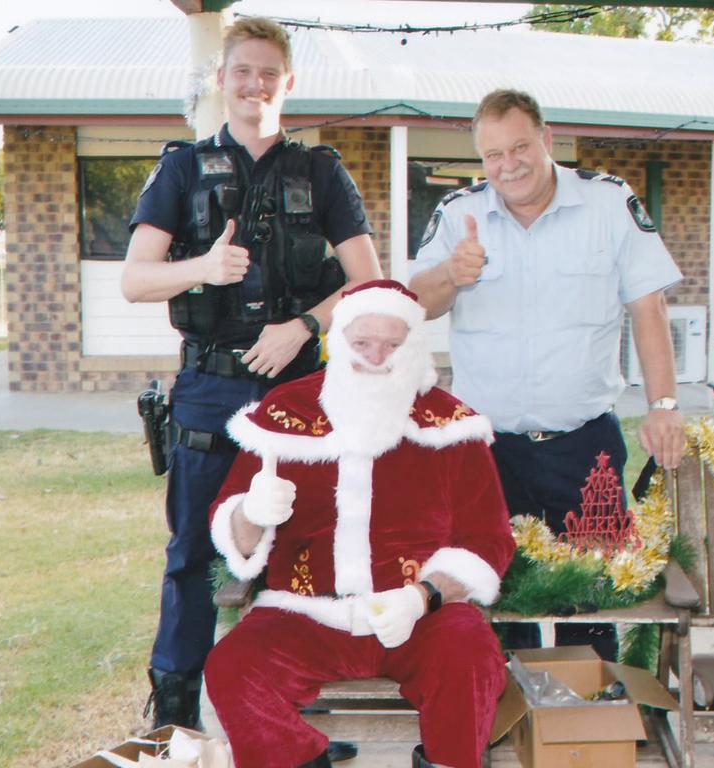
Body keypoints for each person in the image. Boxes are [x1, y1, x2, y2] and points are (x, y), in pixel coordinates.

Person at [121, 16, 382, 732]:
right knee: (194, 555)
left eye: (269, 72)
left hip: (300, 390)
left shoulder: (322, 172)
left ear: (288, 83)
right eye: (242, 71)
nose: (254, 84)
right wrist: (203, 269)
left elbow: (370, 284)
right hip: (210, 390)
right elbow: (135, 280)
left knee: (305, 552)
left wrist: (303, 325)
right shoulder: (181, 169)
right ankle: (175, 721)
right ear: (221, 79)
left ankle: (292, 719)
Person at [408, 89, 686, 657]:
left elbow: (648, 309)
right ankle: (507, 718)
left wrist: (663, 406)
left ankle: (586, 725)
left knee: (591, 597)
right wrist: (451, 275)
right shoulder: (459, 213)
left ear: (546, 139)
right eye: (491, 155)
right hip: (486, 451)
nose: (507, 164)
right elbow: (415, 301)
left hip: (584, 445)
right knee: (494, 594)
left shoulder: (608, 204)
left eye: (518, 147)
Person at [204, 280, 516, 768]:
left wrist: (423, 597)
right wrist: (251, 514)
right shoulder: (284, 416)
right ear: (337, 341)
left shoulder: (451, 426)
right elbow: (235, 536)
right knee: (231, 667)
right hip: (306, 613)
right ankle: (299, 758)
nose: (376, 356)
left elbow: (488, 539)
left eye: (393, 344)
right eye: (362, 342)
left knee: (471, 653)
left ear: (414, 347)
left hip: (419, 615)